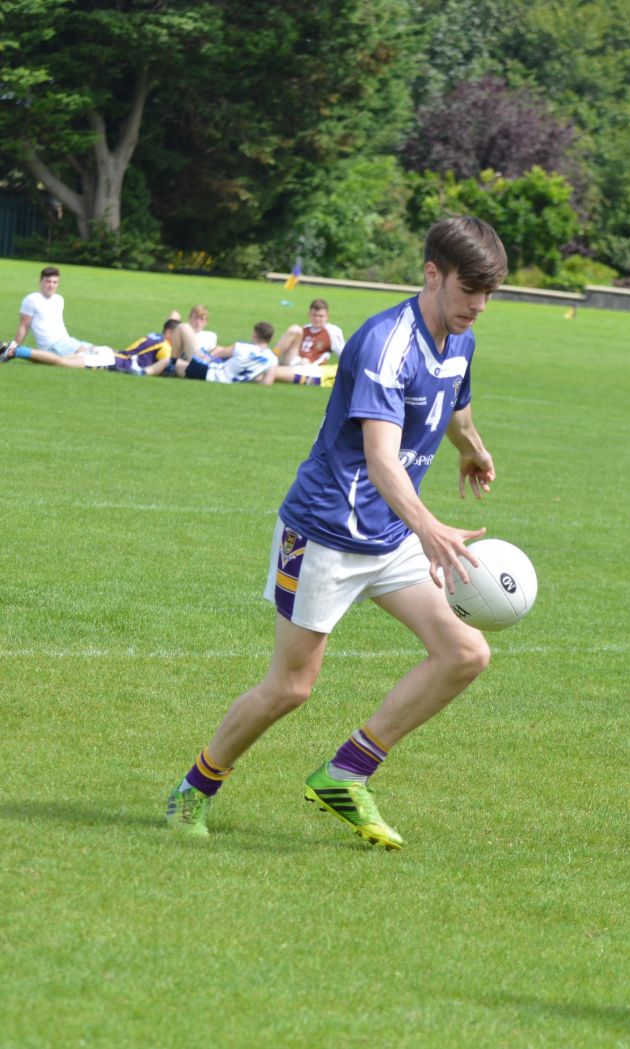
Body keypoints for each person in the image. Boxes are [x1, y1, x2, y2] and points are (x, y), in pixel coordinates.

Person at [163, 215, 508, 850]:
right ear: (433, 275)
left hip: (388, 532)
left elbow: (453, 403)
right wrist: (428, 525)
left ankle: (347, 772)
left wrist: (472, 449)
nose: (478, 307)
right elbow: (381, 457)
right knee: (291, 687)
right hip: (325, 530)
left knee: (465, 653)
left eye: (488, 296)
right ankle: (194, 788)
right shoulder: (385, 344)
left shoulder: (460, 337)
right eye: (468, 292)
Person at [2, 318, 178, 375]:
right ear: (170, 333)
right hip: (108, 359)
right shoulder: (165, 345)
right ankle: (15, 350)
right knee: (61, 363)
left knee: (60, 360)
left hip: (108, 352)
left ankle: (12, 350)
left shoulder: (154, 336)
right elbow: (161, 367)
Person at [9, 265, 112, 358]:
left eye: (55, 282)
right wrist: (13, 348)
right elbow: (23, 326)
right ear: (41, 282)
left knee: (104, 350)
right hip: (51, 346)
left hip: (67, 341)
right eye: (48, 281)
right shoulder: (31, 299)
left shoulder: (59, 299)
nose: (51, 285)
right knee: (93, 355)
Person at [172, 323, 279, 385]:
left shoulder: (242, 347)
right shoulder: (272, 359)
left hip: (209, 372)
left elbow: (217, 354)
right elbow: (267, 382)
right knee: (182, 362)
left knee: (183, 327)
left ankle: (171, 363)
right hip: (225, 377)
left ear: (255, 335)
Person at [272, 298, 346, 386]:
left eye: (320, 316)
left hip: (310, 367)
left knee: (304, 361)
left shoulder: (333, 331)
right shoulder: (305, 328)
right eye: (314, 315)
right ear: (309, 314)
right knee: (294, 329)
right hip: (293, 361)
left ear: (327, 316)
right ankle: (270, 358)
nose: (317, 319)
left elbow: (344, 354)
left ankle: (276, 369)